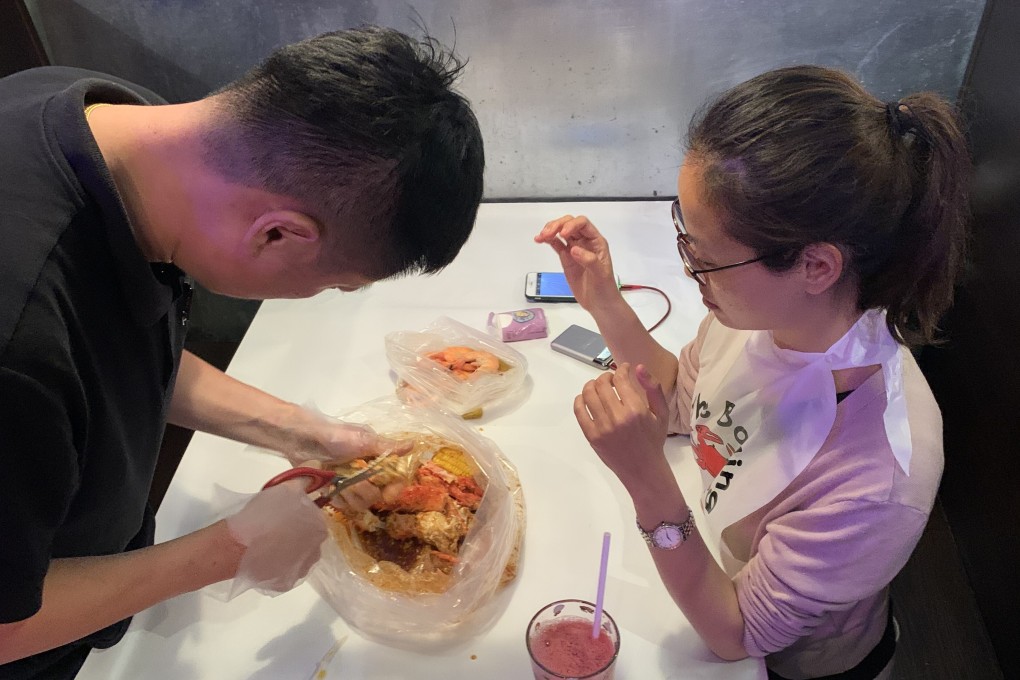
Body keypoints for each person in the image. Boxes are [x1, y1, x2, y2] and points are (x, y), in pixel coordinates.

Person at [0, 25, 484, 678]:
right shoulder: (17, 341)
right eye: (335, 284)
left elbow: (105, 359)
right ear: (278, 233)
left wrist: (299, 429)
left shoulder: (117, 125)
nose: (322, 297)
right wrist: (231, 549)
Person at [536, 65, 968, 679]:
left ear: (817, 266)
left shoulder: (879, 481)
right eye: (685, 239)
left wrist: (646, 478)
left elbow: (735, 634)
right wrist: (604, 299)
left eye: (705, 259)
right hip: (709, 552)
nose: (689, 271)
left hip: (801, 664)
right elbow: (688, 399)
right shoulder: (763, 320)